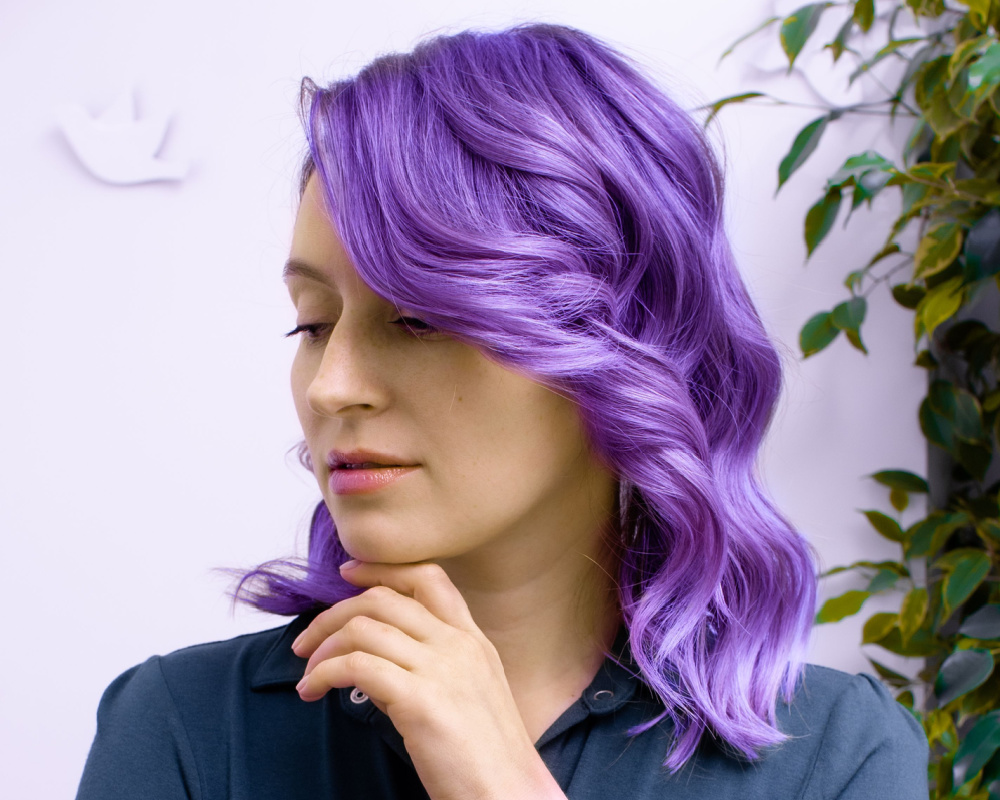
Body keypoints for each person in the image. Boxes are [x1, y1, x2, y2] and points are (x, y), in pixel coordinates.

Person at [75, 23, 929, 799]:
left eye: (417, 319)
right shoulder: (185, 734)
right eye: (313, 322)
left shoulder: (836, 759)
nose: (332, 387)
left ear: (624, 341)